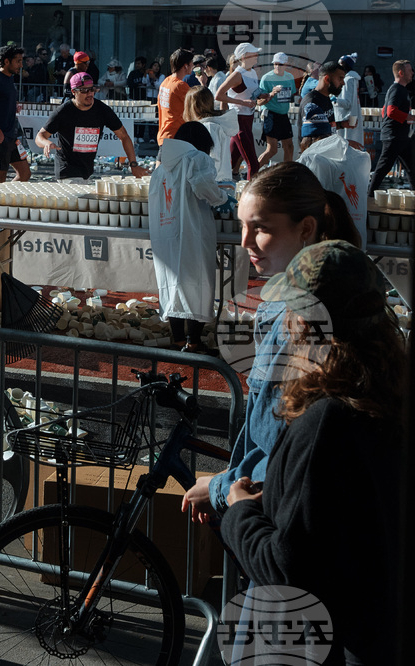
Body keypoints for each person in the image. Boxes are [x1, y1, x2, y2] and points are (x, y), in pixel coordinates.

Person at [220, 239, 403, 665]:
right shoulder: (389, 396)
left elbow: (289, 570)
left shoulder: (328, 419)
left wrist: (239, 511)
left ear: (306, 323)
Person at [181, 161, 360, 524]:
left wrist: (220, 487)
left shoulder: (296, 320)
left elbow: (277, 444)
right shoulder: (344, 297)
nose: (244, 242)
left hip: (280, 518)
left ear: (305, 228)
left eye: (260, 228)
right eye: (242, 226)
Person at [149, 121, 232, 352]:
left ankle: (178, 339)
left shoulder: (161, 168)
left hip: (166, 231)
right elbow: (204, 186)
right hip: (192, 231)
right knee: (199, 284)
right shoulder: (197, 158)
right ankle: (194, 342)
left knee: (172, 284)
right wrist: (222, 198)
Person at [35, 72, 149, 182]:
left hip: (87, 171)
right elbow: (40, 136)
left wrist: (133, 165)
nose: (89, 94)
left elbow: (124, 136)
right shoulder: (63, 111)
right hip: (67, 171)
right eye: (84, 90)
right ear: (74, 92)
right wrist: (47, 143)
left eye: (92, 89)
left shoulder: (102, 110)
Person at [298, 114, 371, 249]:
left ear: (307, 139)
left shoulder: (313, 159)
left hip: (327, 245)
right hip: (357, 240)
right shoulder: (358, 157)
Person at [0, 44, 31, 184]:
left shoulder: (9, 78)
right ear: (7, 61)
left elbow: (2, 102)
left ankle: (6, 194)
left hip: (11, 136)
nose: (21, 65)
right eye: (18, 61)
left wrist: (13, 107)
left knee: (25, 173)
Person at [214, 42, 265, 180]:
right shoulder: (237, 75)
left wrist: (265, 95)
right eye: (254, 54)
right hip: (238, 121)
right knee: (253, 164)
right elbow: (218, 95)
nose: (257, 56)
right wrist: (242, 102)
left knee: (229, 162)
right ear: (244, 57)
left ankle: (219, 183)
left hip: (248, 120)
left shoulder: (252, 72)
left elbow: (253, 93)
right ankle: (250, 192)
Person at [368, 59, 415, 195]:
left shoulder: (399, 89)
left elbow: (384, 110)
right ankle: (369, 196)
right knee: (383, 168)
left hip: (401, 137)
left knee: (412, 169)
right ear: (401, 73)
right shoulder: (397, 89)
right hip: (394, 137)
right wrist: (410, 118)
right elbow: (390, 111)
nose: (412, 73)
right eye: (409, 70)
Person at [183, 86, 239, 183]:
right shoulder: (213, 125)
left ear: (192, 107)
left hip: (214, 183)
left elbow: (213, 159)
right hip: (219, 181)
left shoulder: (209, 127)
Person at [257, 52, 297, 168]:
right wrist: (272, 93)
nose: (277, 67)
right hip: (270, 114)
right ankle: (253, 172)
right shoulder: (266, 78)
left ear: (286, 65)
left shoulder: (289, 77)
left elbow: (292, 94)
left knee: (289, 146)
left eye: (280, 64)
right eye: (275, 64)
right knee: (272, 150)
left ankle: (286, 172)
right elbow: (259, 102)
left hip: (283, 114)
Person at [156, 49, 194, 147]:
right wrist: (203, 84)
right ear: (186, 66)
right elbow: (197, 106)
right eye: (192, 63)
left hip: (164, 135)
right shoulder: (181, 86)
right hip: (176, 137)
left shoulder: (165, 81)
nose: (193, 66)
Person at [332, 53, 364, 150]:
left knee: (346, 144)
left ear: (346, 65)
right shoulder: (353, 79)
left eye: (340, 64)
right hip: (352, 115)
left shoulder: (347, 80)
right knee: (352, 141)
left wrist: (334, 100)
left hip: (346, 117)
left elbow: (347, 103)